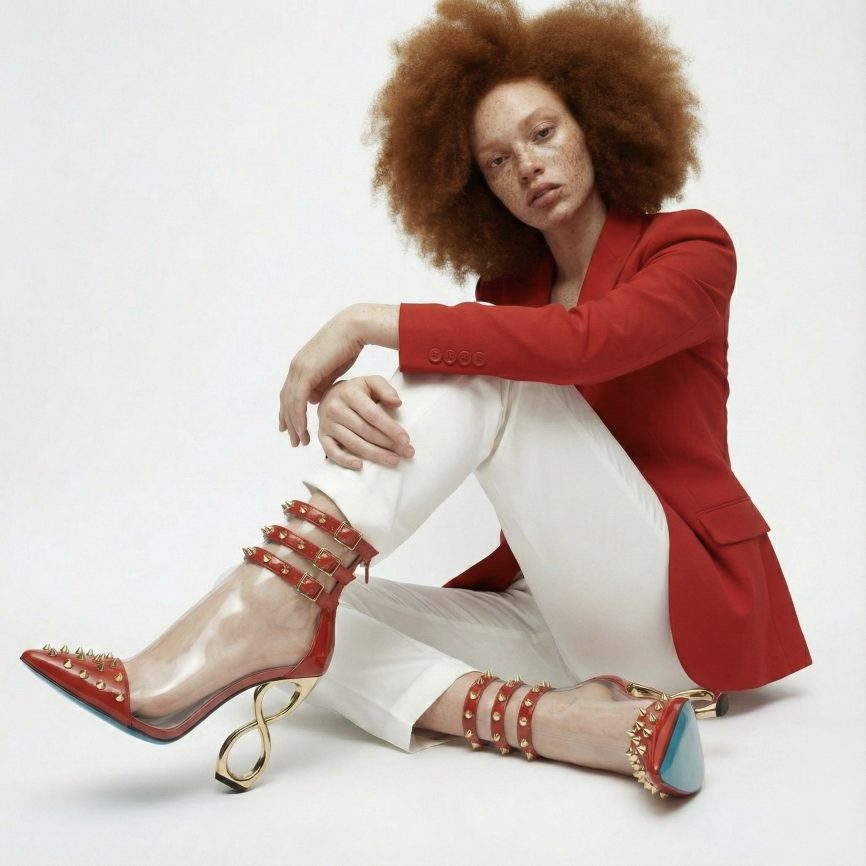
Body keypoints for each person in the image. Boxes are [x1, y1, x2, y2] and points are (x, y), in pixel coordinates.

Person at [20, 0, 810, 799]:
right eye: (497, 161)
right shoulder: (508, 293)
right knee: (323, 626)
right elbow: (502, 355)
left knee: (483, 355)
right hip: (556, 615)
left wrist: (367, 323)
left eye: (543, 133)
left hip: (676, 606)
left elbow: (584, 343)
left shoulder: (690, 247)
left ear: (595, 125)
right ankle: (575, 725)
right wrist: (356, 408)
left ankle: (262, 597)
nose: (528, 167)